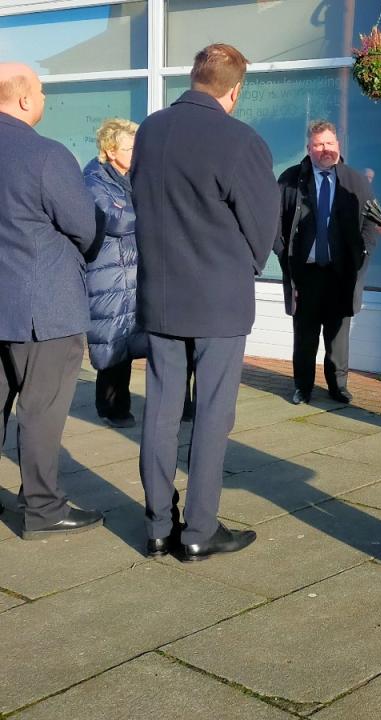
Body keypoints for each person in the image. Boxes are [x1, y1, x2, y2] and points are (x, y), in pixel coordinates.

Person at [131, 44, 280, 561]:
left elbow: (139, 199)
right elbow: (263, 225)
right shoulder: (240, 139)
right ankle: (198, 531)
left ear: (195, 77)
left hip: (161, 293)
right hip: (218, 298)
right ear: (234, 90)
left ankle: (155, 526)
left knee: (161, 411)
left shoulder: (149, 130)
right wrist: (244, 262)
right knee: (213, 416)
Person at [0, 62, 104, 538]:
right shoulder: (45, 154)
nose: (44, 98)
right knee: (41, 411)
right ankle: (42, 508)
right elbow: (85, 226)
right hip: (44, 306)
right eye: (41, 90)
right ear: (23, 99)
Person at [276, 120, 381, 405]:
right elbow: (275, 224)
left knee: (338, 336)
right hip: (305, 273)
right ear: (309, 148)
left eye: (330, 144)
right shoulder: (290, 179)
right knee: (305, 335)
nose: (325, 150)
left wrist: (363, 255)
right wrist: (285, 258)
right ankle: (303, 387)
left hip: (340, 273)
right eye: (319, 144)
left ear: (339, 146)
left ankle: (338, 386)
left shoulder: (355, 181)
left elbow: (373, 223)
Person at [82, 118, 146, 428]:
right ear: (111, 149)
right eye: (130, 147)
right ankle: (112, 406)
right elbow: (116, 220)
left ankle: (115, 403)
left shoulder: (133, 177)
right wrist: (149, 210)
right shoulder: (93, 179)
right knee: (110, 338)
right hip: (108, 273)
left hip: (131, 271)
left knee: (125, 339)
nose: (136, 153)